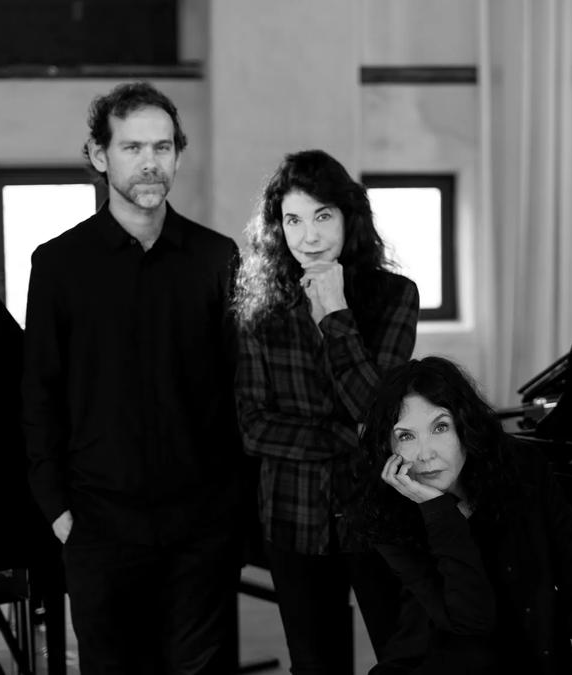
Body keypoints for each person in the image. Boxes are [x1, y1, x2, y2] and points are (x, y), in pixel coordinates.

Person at [23, 82, 242, 674]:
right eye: (133, 147)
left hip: (201, 527)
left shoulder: (216, 258)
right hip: (99, 524)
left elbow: (238, 389)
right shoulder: (57, 264)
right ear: (99, 156)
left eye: (164, 147)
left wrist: (231, 511)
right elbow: (39, 392)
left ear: (177, 154)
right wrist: (57, 511)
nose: (151, 162)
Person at [233, 149, 419, 674]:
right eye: (293, 220)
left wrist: (336, 313)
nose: (309, 236)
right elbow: (252, 426)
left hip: (376, 513)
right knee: (315, 665)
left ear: (348, 218)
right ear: (278, 227)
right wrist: (347, 436)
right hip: (293, 514)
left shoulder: (394, 296)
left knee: (403, 656)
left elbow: (377, 415)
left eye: (322, 216)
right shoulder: (258, 306)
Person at [353, 356, 572, 675]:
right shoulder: (387, 513)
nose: (425, 453)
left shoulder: (523, 468)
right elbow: (472, 619)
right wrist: (438, 509)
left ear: (465, 425)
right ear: (388, 445)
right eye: (406, 436)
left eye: (440, 427)